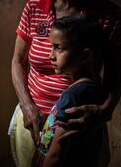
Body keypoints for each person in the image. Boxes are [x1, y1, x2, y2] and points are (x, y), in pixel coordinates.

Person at [9, 0, 121, 167]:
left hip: (79, 127)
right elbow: (18, 62)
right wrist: (28, 108)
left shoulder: (107, 15)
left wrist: (102, 113)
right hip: (34, 121)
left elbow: (113, 77)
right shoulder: (34, 8)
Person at [33, 16, 107, 167]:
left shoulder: (73, 97)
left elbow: (55, 156)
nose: (51, 56)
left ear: (85, 56)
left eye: (58, 48)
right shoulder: (93, 90)